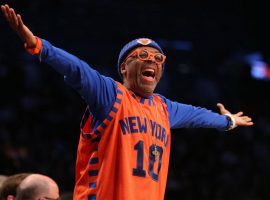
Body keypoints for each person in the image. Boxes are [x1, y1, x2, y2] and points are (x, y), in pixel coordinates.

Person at [1, 4, 253, 200]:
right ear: (124, 67)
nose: (152, 60)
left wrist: (228, 121)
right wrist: (38, 45)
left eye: (157, 58)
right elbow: (77, 69)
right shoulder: (111, 95)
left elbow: (199, 116)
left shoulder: (165, 108)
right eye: (142, 56)